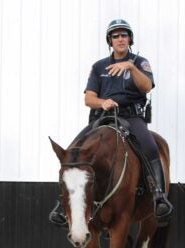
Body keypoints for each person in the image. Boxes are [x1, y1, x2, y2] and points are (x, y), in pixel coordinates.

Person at [49, 18, 173, 227]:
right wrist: (102, 102)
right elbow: (89, 99)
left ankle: (159, 197)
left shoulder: (140, 62)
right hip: (103, 117)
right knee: (72, 151)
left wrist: (131, 68)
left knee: (151, 148)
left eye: (124, 35)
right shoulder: (98, 67)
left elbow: (147, 87)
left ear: (130, 38)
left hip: (131, 117)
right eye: (115, 36)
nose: (120, 39)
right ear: (110, 41)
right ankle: (62, 205)